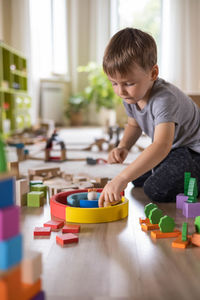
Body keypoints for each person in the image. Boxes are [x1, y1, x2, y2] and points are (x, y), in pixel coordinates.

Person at [98, 27, 200, 207]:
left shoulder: (164, 99)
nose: (120, 91)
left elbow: (161, 145)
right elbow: (134, 124)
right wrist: (124, 146)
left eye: (128, 83)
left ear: (153, 73)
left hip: (193, 151)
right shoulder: (131, 95)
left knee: (155, 189)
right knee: (138, 179)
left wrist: (121, 178)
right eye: (114, 83)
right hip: (176, 149)